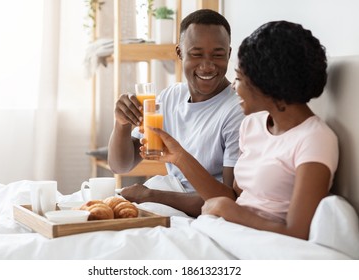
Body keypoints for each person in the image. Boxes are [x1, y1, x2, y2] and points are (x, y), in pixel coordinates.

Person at [143, 20, 339, 240]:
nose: (234, 87)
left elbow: (296, 232)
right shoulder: (253, 125)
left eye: (239, 78)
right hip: (225, 228)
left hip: (259, 240)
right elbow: (235, 196)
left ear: (267, 83)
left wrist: (231, 211)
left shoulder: (315, 139)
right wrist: (178, 156)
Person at [107, 9, 244, 217]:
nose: (207, 66)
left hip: (198, 210)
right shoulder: (170, 96)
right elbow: (121, 165)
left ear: (229, 53)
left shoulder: (236, 111)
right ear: (179, 53)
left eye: (218, 55)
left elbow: (228, 201)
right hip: (166, 195)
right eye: (196, 54)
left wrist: (150, 195)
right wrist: (122, 125)